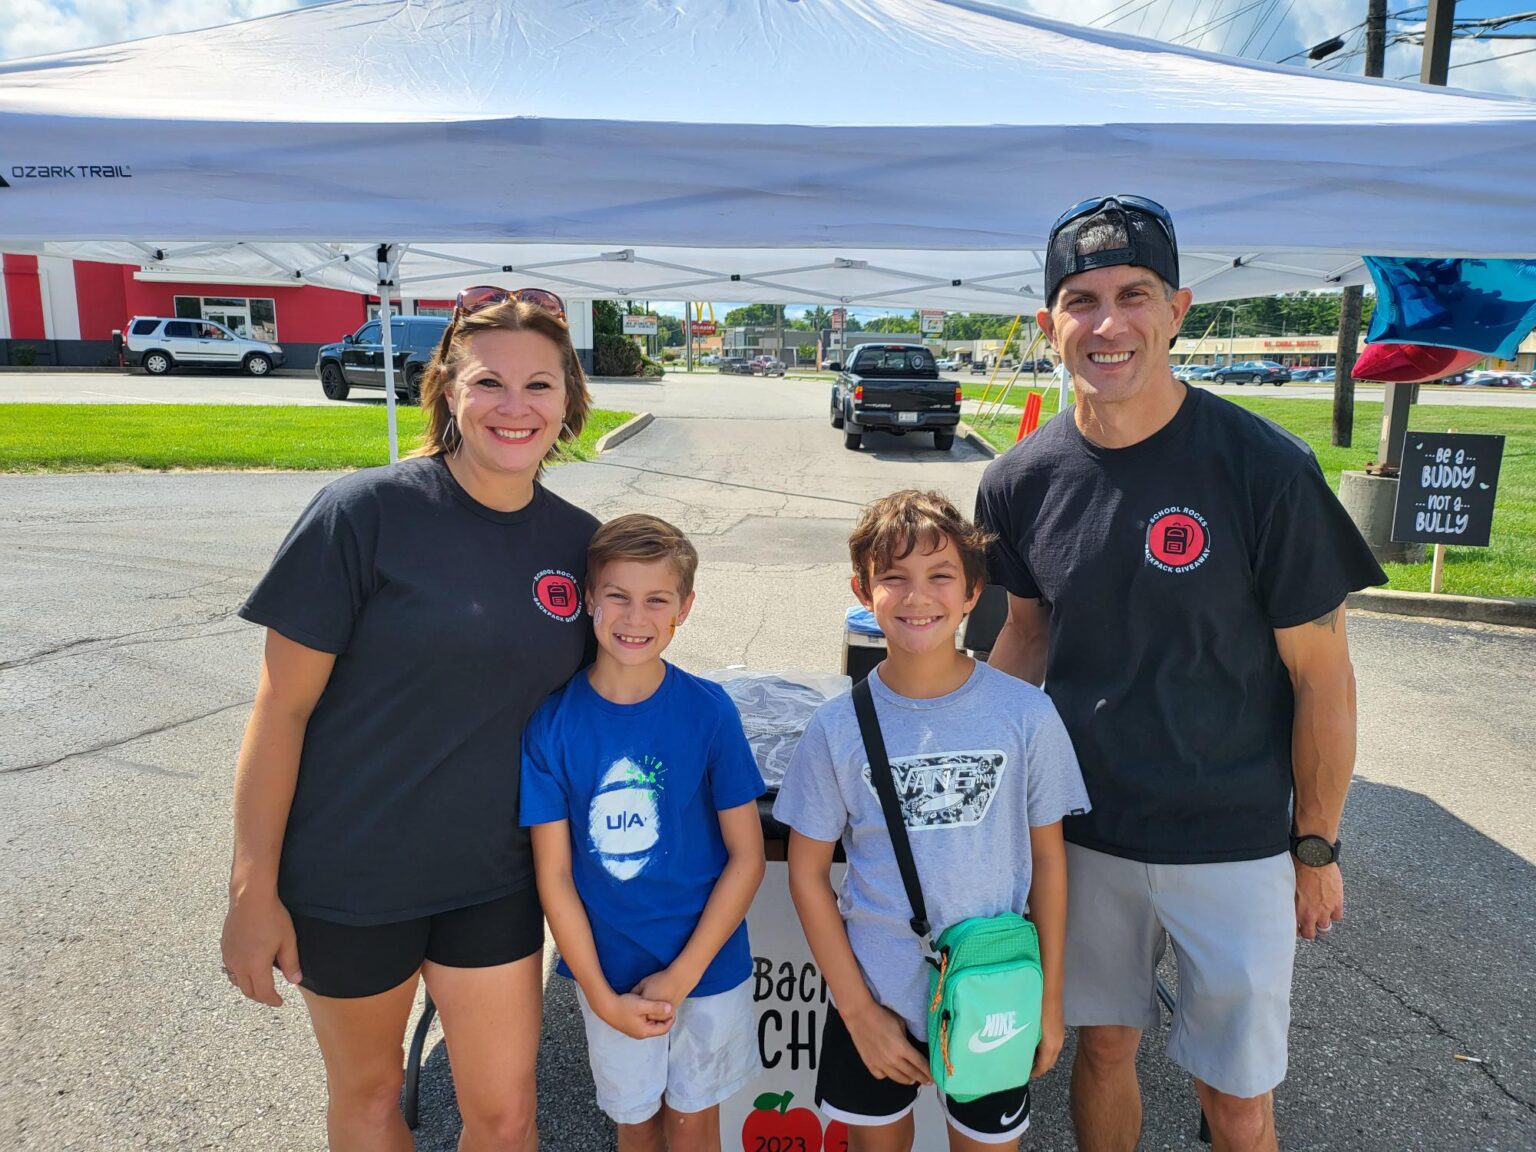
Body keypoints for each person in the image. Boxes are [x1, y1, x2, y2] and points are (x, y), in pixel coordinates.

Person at [974, 195, 1388, 1152]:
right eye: (1080, 300)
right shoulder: (1019, 480)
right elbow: (1024, 643)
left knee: (1237, 1096)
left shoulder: (1262, 469)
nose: (1106, 323)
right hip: (1085, 833)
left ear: (1178, 311)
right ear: (1049, 323)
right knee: (1105, 1050)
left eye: (1134, 295)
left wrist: (1316, 844)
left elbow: (1323, 676)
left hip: (1236, 842)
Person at [220, 285, 593, 1152]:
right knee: (372, 1095)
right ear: (448, 391)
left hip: (493, 879)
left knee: (504, 1116)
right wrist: (251, 892)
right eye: (489, 382)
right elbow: (280, 711)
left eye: (539, 385)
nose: (515, 406)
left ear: (569, 401)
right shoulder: (364, 514)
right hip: (353, 879)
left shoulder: (579, 542)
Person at [774, 490, 1089, 1152]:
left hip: (993, 986)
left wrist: (1050, 1001)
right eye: (895, 577)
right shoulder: (836, 729)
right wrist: (858, 1013)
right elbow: (806, 876)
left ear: (974, 593)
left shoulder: (1025, 715)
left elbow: (1051, 862)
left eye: (940, 576)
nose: (918, 596)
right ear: (863, 590)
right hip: (877, 993)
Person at [521, 514, 767, 1152]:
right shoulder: (552, 725)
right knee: (636, 1123)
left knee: (693, 1123)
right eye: (618, 596)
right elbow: (554, 877)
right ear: (587, 599)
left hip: (708, 968)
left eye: (656, 599)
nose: (636, 616)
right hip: (611, 974)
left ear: (684, 607)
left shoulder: (709, 710)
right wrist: (601, 996)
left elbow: (747, 856)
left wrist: (684, 973)